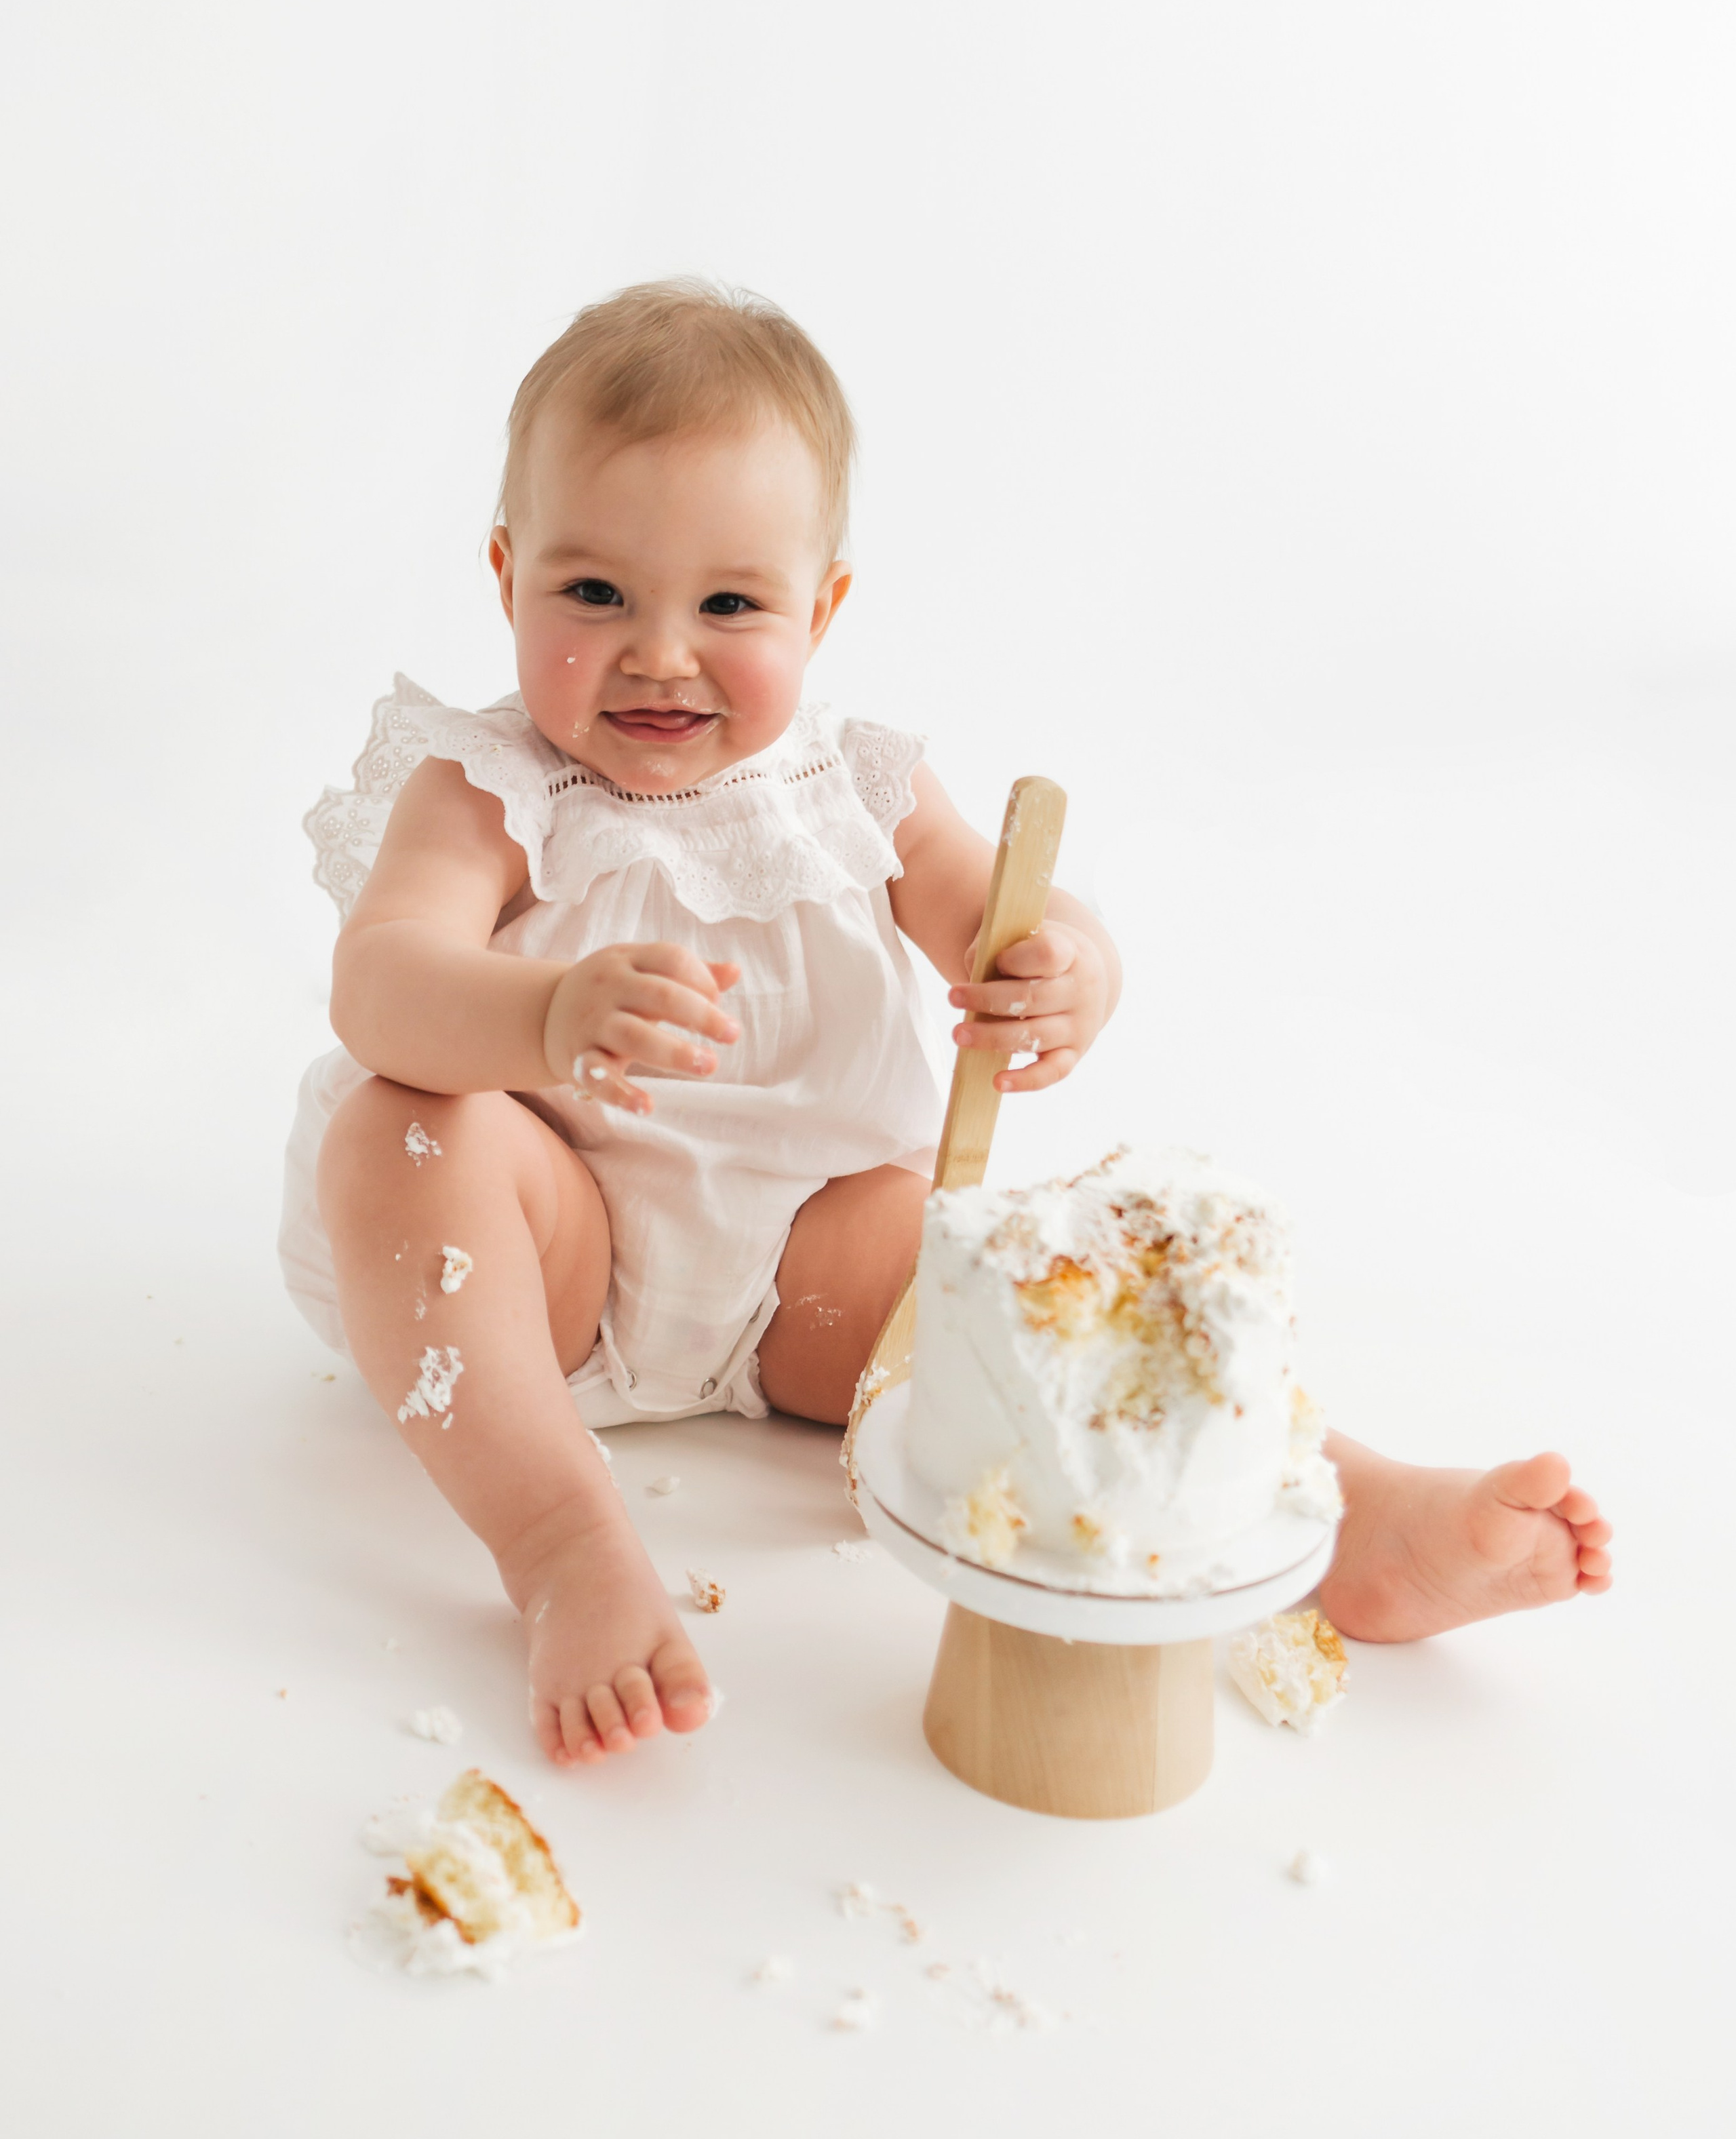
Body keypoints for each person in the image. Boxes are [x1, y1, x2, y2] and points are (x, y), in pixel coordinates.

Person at [281, 279, 1613, 1768]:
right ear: (506, 575)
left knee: (1017, 1270)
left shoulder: (860, 786)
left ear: (822, 609)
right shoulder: (485, 789)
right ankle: (561, 1548)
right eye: (594, 595)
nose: (660, 652)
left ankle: (1340, 1509)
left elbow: (1004, 911)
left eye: (729, 605)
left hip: (808, 1265)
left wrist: (1067, 965)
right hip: (546, 1265)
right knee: (400, 1131)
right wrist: (542, 1016)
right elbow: (380, 983)